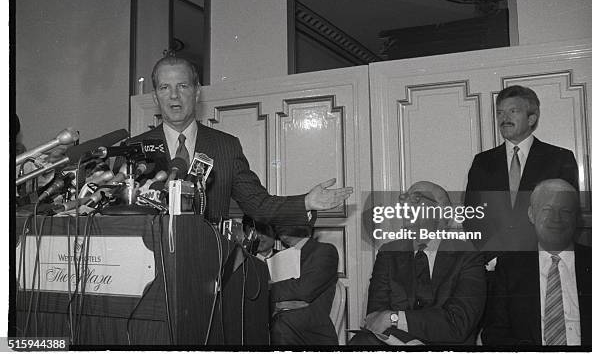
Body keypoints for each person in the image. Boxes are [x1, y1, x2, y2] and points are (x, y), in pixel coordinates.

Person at [128, 54, 353, 225]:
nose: (174, 95)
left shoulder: (226, 146)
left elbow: (257, 204)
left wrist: (305, 202)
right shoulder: (133, 149)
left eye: (182, 86)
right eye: (165, 87)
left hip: (206, 265)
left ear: (197, 93)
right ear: (155, 97)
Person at [350, 181, 486, 345]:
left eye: (416, 200)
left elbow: (458, 324)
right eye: (405, 199)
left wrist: (394, 318)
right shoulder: (389, 253)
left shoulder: (468, 256)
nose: (406, 205)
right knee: (363, 341)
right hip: (395, 344)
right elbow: (375, 318)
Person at [482, 179, 592, 347]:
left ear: (577, 218)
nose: (556, 219)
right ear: (531, 214)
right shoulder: (509, 267)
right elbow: (494, 333)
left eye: (566, 211)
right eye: (547, 209)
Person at [464, 85, 579, 256]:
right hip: (494, 263)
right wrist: (489, 252)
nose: (504, 118)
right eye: (500, 113)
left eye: (513, 111)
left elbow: (566, 214)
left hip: (541, 260)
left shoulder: (559, 158)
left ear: (532, 118)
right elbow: (472, 214)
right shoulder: (482, 161)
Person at [269, 225, 339, 345]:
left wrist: (269, 288)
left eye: (286, 219)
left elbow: (303, 290)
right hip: (282, 324)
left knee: (282, 323)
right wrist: (275, 304)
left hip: (308, 332)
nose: (280, 224)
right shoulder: (275, 258)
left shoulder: (324, 250)